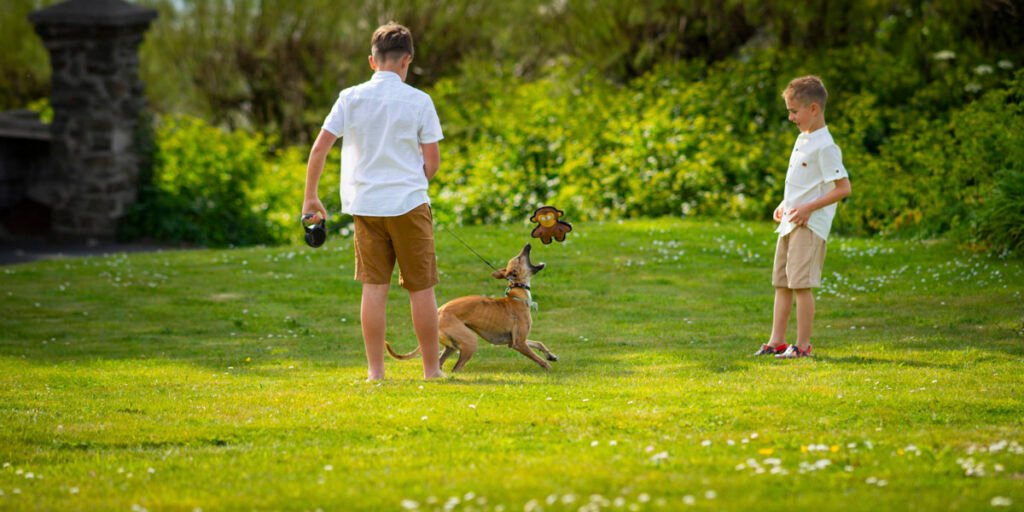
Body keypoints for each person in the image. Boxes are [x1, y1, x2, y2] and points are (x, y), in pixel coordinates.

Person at [302, 22, 445, 380]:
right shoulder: (420, 101)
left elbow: (320, 148)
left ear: (372, 61)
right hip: (410, 205)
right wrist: (414, 181)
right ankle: (431, 371)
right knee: (421, 288)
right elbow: (433, 163)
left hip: (365, 207)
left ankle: (375, 373)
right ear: (406, 60)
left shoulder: (349, 98)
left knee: (374, 287)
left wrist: (311, 197)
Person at [755, 76, 852, 359]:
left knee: (801, 285)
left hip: (809, 227)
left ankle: (803, 346)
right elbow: (804, 183)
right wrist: (785, 203)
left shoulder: (826, 146)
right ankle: (777, 341)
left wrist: (808, 208)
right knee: (782, 283)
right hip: (790, 223)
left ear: (813, 108)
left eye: (794, 111)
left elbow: (843, 188)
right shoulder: (804, 139)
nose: (790, 117)